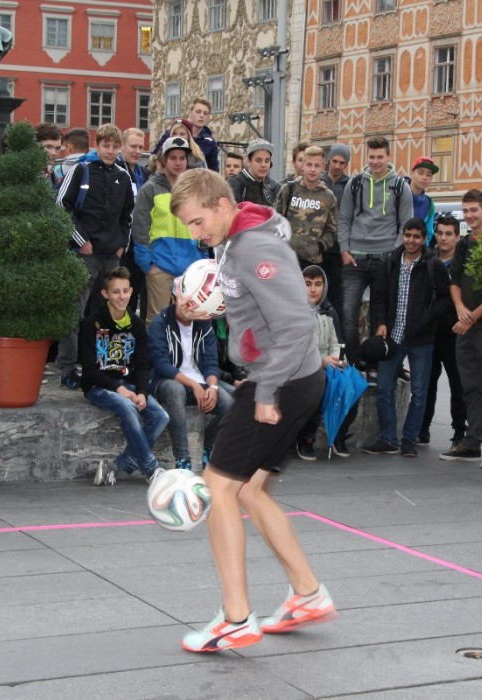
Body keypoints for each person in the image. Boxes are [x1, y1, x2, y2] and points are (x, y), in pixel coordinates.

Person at [170, 169, 336, 654]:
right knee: (251, 490)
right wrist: (222, 313)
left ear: (223, 205)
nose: (196, 234)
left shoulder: (253, 248)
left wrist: (265, 394)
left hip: (280, 380)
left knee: (218, 485)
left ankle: (236, 619)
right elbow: (262, 309)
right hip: (290, 378)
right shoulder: (236, 239)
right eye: (189, 227)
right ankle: (307, 594)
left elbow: (296, 326)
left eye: (199, 222)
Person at [56, 123, 135, 389]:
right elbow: (61, 207)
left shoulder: (124, 176)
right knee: (75, 311)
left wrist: (122, 244)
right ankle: (68, 367)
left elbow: (128, 215)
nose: (110, 151)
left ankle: (107, 365)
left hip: (111, 253)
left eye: (115, 146)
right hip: (85, 252)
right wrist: (80, 240)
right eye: (106, 146)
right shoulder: (81, 170)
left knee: (112, 311)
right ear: (96, 145)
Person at [363, 218, 451, 458]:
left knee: (420, 392)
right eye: (408, 235)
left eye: (416, 237)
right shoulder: (390, 261)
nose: (411, 241)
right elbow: (379, 297)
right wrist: (380, 322)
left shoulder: (433, 265)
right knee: (383, 388)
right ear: (403, 235)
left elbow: (445, 299)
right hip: (393, 336)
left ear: (424, 239)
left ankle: (409, 440)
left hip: (422, 339)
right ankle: (388, 439)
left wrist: (429, 316)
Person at [439, 189, 482, 468]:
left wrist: (470, 318)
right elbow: (453, 280)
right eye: (465, 211)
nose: (469, 216)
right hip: (465, 326)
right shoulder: (465, 244)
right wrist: (459, 308)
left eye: (474, 210)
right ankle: (471, 442)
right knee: (470, 387)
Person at [79, 267, 169, 484]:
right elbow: (89, 370)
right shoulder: (91, 324)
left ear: (131, 292)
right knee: (126, 406)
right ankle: (151, 468)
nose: (122, 297)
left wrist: (142, 392)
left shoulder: (136, 325)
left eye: (125, 291)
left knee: (160, 417)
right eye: (116, 292)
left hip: (129, 384)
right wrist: (118, 389)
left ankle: (116, 466)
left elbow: (142, 364)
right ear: (105, 294)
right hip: (99, 387)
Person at [337, 136, 413, 366]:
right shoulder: (356, 183)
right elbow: (344, 220)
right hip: (355, 259)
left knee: (383, 316)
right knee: (348, 315)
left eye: (380, 157)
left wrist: (393, 255)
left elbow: (405, 226)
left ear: (389, 157)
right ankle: (354, 363)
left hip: (385, 259)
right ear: (366, 157)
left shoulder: (400, 187)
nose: (376, 161)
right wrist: (344, 249)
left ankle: (380, 362)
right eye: (372, 157)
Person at [148, 281, 234, 471]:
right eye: (184, 301)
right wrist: (195, 386)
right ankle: (182, 460)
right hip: (168, 381)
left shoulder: (204, 323)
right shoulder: (159, 324)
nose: (189, 306)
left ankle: (209, 447)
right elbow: (162, 365)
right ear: (173, 299)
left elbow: (211, 362)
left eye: (193, 301)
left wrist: (212, 387)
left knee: (233, 402)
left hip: (201, 379)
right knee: (175, 389)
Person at [133, 137, 208, 323]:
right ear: (163, 161)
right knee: (158, 321)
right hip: (160, 267)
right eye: (173, 158)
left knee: (192, 320)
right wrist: (147, 265)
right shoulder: (150, 189)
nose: (178, 162)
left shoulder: (194, 191)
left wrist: (203, 256)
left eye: (182, 158)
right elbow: (140, 227)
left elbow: (205, 223)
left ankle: (187, 354)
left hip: (191, 268)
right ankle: (159, 354)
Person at [417, 215, 467, 447]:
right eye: (440, 233)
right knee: (427, 383)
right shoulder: (427, 259)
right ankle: (422, 428)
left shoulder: (464, 262)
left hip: (456, 331)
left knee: (458, 384)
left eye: (449, 234)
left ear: (457, 236)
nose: (444, 238)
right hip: (430, 331)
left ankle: (459, 431)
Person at [296, 265, 354, 460]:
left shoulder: (329, 310)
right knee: (318, 385)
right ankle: (306, 439)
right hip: (302, 367)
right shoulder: (293, 313)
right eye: (308, 284)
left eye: (318, 284)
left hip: (328, 362)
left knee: (352, 383)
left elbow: (336, 342)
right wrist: (322, 362)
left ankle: (339, 434)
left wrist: (338, 360)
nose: (313, 289)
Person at [274, 145, 337, 268]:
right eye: (309, 164)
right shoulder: (288, 189)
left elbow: (332, 231)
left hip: (312, 261)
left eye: (317, 165)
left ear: (323, 168)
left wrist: (319, 246)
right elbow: (275, 220)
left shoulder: (329, 197)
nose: (312, 169)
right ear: (303, 165)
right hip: (285, 258)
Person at [117, 127, 150, 319]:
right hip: (122, 243)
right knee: (119, 295)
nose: (137, 151)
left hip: (139, 243)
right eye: (133, 146)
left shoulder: (144, 173)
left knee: (134, 293)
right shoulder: (117, 170)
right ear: (123, 146)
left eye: (140, 147)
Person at [320, 143, 351, 317]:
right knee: (317, 290)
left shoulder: (350, 185)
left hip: (338, 249)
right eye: (335, 161)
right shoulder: (319, 181)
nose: (338, 166)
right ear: (329, 160)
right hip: (319, 248)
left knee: (337, 295)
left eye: (342, 163)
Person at [153, 98, 220, 171]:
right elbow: (155, 158)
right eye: (198, 112)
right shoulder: (169, 134)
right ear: (190, 113)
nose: (201, 115)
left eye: (205, 113)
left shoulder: (209, 142)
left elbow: (213, 170)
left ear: (208, 117)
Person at [228, 139, 281, 206]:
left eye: (267, 161)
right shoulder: (235, 184)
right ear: (248, 161)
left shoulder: (272, 187)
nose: (263, 165)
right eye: (258, 160)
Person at [406, 156, 438, 246]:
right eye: (421, 173)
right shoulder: (397, 195)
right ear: (412, 173)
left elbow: (427, 234)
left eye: (429, 175)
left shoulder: (429, 204)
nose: (424, 177)